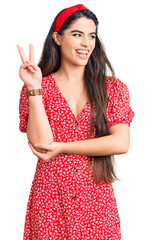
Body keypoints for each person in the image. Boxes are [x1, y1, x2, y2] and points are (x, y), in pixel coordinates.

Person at [17, 4, 134, 239]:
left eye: (91, 35)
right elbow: (41, 145)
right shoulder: (39, 88)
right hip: (51, 201)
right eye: (77, 34)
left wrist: (63, 147)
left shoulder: (112, 88)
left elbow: (120, 143)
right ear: (57, 38)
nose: (86, 43)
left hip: (96, 204)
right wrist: (34, 89)